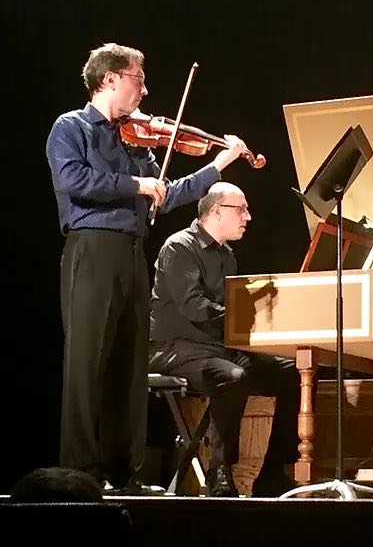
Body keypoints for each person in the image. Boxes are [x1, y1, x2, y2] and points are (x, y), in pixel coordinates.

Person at [46, 42, 248, 495]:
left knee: (129, 363)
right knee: (88, 362)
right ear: (110, 79)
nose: (145, 88)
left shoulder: (134, 139)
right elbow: (75, 180)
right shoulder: (71, 128)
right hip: (92, 250)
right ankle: (79, 472)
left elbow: (167, 193)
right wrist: (135, 184)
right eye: (138, 78)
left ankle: (122, 470)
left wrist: (217, 165)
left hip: (132, 251)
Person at [148, 181, 301, 497]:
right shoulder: (179, 247)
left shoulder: (226, 255)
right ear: (216, 211)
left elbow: (226, 311)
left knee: (292, 371)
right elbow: (193, 306)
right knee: (233, 377)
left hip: (216, 347)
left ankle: (272, 473)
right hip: (175, 346)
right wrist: (247, 313)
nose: (248, 217)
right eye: (241, 209)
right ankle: (220, 471)